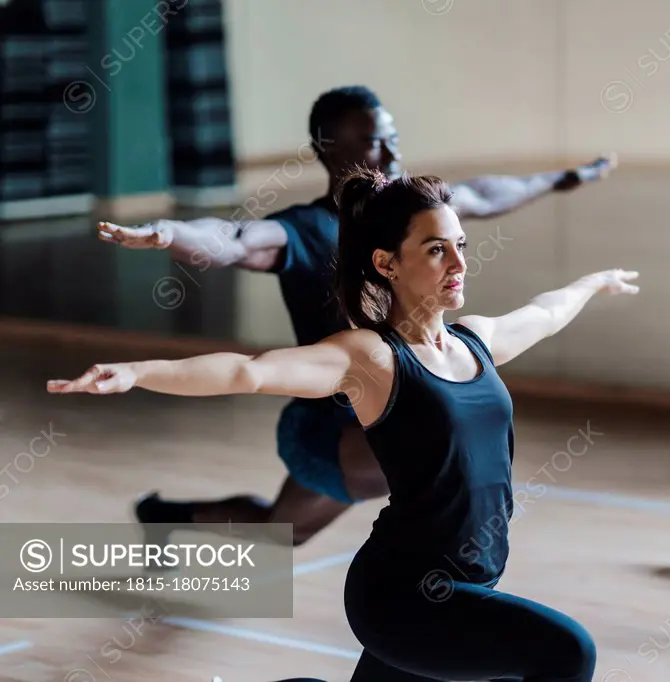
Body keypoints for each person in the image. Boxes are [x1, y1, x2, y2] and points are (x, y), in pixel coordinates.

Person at [52, 166, 639, 680]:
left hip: (467, 580)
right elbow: (247, 372)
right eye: (437, 249)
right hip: (405, 596)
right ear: (387, 262)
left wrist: (592, 283)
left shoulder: (476, 341)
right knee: (566, 654)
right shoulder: (372, 358)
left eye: (460, 244)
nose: (460, 262)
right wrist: (137, 371)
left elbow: (544, 312)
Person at [95, 85, 617, 547]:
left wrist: (565, 177)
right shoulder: (300, 230)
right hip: (330, 426)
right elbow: (229, 240)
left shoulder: (411, 216)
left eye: (392, 138)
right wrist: (169, 233)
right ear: (329, 149)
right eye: (372, 142)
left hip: (383, 409)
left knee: (284, 531)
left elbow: (484, 194)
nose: (390, 153)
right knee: (441, 437)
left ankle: (164, 516)